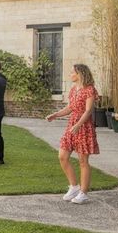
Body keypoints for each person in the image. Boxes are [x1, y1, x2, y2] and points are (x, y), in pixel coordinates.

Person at [46, 64, 100, 204]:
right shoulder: (73, 89)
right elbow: (70, 107)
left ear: (80, 74)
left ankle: (83, 193)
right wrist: (56, 114)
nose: (70, 74)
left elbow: (88, 111)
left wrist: (78, 125)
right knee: (62, 156)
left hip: (83, 127)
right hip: (72, 126)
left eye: (72, 72)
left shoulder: (89, 90)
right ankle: (74, 187)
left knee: (83, 161)